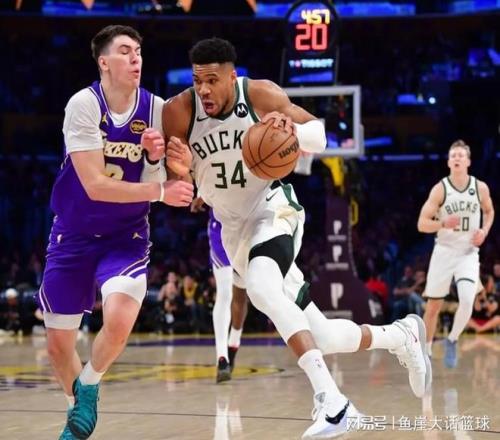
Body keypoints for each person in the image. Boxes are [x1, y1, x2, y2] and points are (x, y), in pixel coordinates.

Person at [163, 37, 431, 439]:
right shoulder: (178, 111)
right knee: (322, 335)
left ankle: (334, 404)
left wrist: (293, 133)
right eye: (197, 80)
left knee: (260, 288)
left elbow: (319, 135)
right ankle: (401, 335)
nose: (203, 89)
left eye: (212, 80)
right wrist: (181, 171)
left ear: (232, 77)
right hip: (233, 230)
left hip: (273, 210)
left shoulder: (260, 94)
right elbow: (178, 186)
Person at [38, 25, 193, 440]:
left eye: (138, 50)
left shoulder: (157, 109)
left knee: (121, 316)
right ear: (104, 62)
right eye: (125, 51)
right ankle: (76, 411)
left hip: (126, 234)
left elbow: (176, 173)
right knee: (57, 346)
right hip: (73, 231)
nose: (135, 57)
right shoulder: (83, 105)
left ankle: (89, 385)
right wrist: (161, 189)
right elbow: (95, 185)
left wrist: (162, 161)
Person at [418, 140, 494, 368]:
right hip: (444, 251)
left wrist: (484, 231)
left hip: (468, 253)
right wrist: (442, 223)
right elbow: (422, 224)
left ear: (468, 161)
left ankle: (451, 340)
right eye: (453, 155)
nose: (457, 158)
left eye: (461, 155)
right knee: (433, 307)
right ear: (449, 162)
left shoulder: (480, 188)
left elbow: (489, 211)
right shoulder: (440, 189)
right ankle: (425, 353)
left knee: (468, 300)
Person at [191, 197, 248, 383]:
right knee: (226, 293)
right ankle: (222, 357)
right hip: (223, 227)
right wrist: (202, 196)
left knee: (238, 293)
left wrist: (201, 197)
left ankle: (233, 344)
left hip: (245, 227)